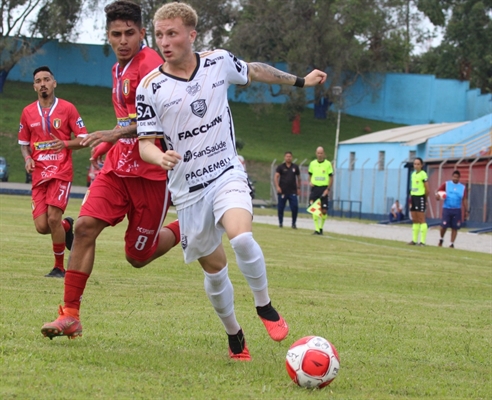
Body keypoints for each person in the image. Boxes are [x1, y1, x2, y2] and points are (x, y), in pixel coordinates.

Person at [137, 2, 327, 360]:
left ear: (191, 35)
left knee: (242, 237)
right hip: (187, 191)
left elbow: (254, 70)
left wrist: (301, 80)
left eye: (172, 33)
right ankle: (234, 334)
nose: (165, 41)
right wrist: (159, 156)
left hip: (226, 173)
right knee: (215, 270)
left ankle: (265, 305)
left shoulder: (217, 62)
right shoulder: (151, 87)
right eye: (160, 34)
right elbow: (145, 142)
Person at [41, 0, 180, 340]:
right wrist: (105, 142)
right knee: (85, 226)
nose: (122, 41)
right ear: (107, 34)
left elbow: (156, 122)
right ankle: (70, 315)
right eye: (115, 34)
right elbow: (126, 119)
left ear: (142, 33)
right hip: (118, 169)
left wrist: (112, 134)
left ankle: (190, 226)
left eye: (129, 34)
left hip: (151, 175)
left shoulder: (152, 67)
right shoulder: (117, 67)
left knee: (137, 256)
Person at [18, 66, 88, 278]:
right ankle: (66, 226)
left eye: (46, 79)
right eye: (38, 81)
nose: (43, 84)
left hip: (61, 172)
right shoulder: (27, 112)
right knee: (42, 226)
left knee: (52, 218)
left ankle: (59, 267)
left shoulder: (67, 109)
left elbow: (83, 139)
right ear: (34, 87)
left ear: (54, 83)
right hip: (39, 175)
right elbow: (23, 143)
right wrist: (28, 158)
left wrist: (66, 144)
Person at [436, 170, 469, 248]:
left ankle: (451, 243)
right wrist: (437, 196)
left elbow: (464, 199)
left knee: (455, 227)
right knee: (444, 226)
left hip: (457, 209)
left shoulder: (462, 187)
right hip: (447, 208)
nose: (456, 178)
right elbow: (438, 192)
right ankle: (441, 239)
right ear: (452, 177)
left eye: (457, 177)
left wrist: (466, 210)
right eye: (454, 176)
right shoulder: (446, 184)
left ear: (459, 178)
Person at [308, 147, 333, 235]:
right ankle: (317, 229)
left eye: (321, 153)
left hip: (324, 188)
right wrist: (310, 182)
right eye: (318, 153)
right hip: (315, 189)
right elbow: (310, 174)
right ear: (316, 153)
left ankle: (321, 227)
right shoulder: (312, 163)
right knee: (314, 209)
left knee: (324, 210)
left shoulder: (328, 164)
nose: (319, 155)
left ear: (324, 153)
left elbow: (331, 177)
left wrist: (328, 189)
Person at [274, 151, 301, 228]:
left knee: (294, 207)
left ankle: (293, 223)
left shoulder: (295, 167)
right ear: (284, 157)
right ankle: (280, 223)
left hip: (292, 191)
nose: (288, 158)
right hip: (283, 191)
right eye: (287, 156)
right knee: (281, 208)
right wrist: (277, 187)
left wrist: (298, 188)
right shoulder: (281, 167)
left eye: (290, 156)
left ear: (292, 157)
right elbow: (276, 177)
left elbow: (299, 178)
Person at [407, 157, 430, 246]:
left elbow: (427, 189)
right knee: (415, 219)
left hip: (420, 197)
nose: (416, 166)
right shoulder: (413, 174)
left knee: (421, 219)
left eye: (418, 164)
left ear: (421, 165)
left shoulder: (423, 174)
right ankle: (414, 240)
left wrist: (425, 199)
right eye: (415, 164)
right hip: (413, 197)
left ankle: (422, 242)